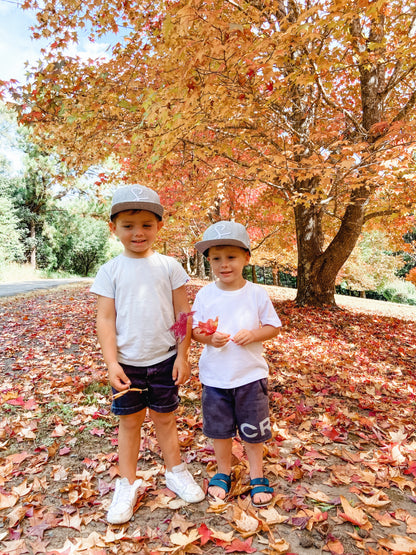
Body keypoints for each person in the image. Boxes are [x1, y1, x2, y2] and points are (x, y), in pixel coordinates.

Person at [90, 184, 204, 525]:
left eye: (146, 225)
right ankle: (126, 483)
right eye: (128, 225)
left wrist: (183, 356)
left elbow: (183, 314)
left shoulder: (169, 266)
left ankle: (175, 471)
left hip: (165, 360)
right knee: (129, 423)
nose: (138, 233)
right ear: (114, 228)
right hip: (127, 365)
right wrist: (111, 363)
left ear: (159, 226)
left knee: (166, 419)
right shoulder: (110, 270)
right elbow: (105, 319)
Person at [192, 221, 281, 508]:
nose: (223, 264)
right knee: (220, 431)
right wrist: (208, 338)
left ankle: (257, 475)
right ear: (209, 261)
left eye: (231, 257)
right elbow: (193, 331)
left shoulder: (256, 293)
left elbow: (273, 327)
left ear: (246, 258)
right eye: (216, 258)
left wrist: (254, 334)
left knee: (253, 430)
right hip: (215, 378)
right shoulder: (206, 294)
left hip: (250, 376)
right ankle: (223, 472)